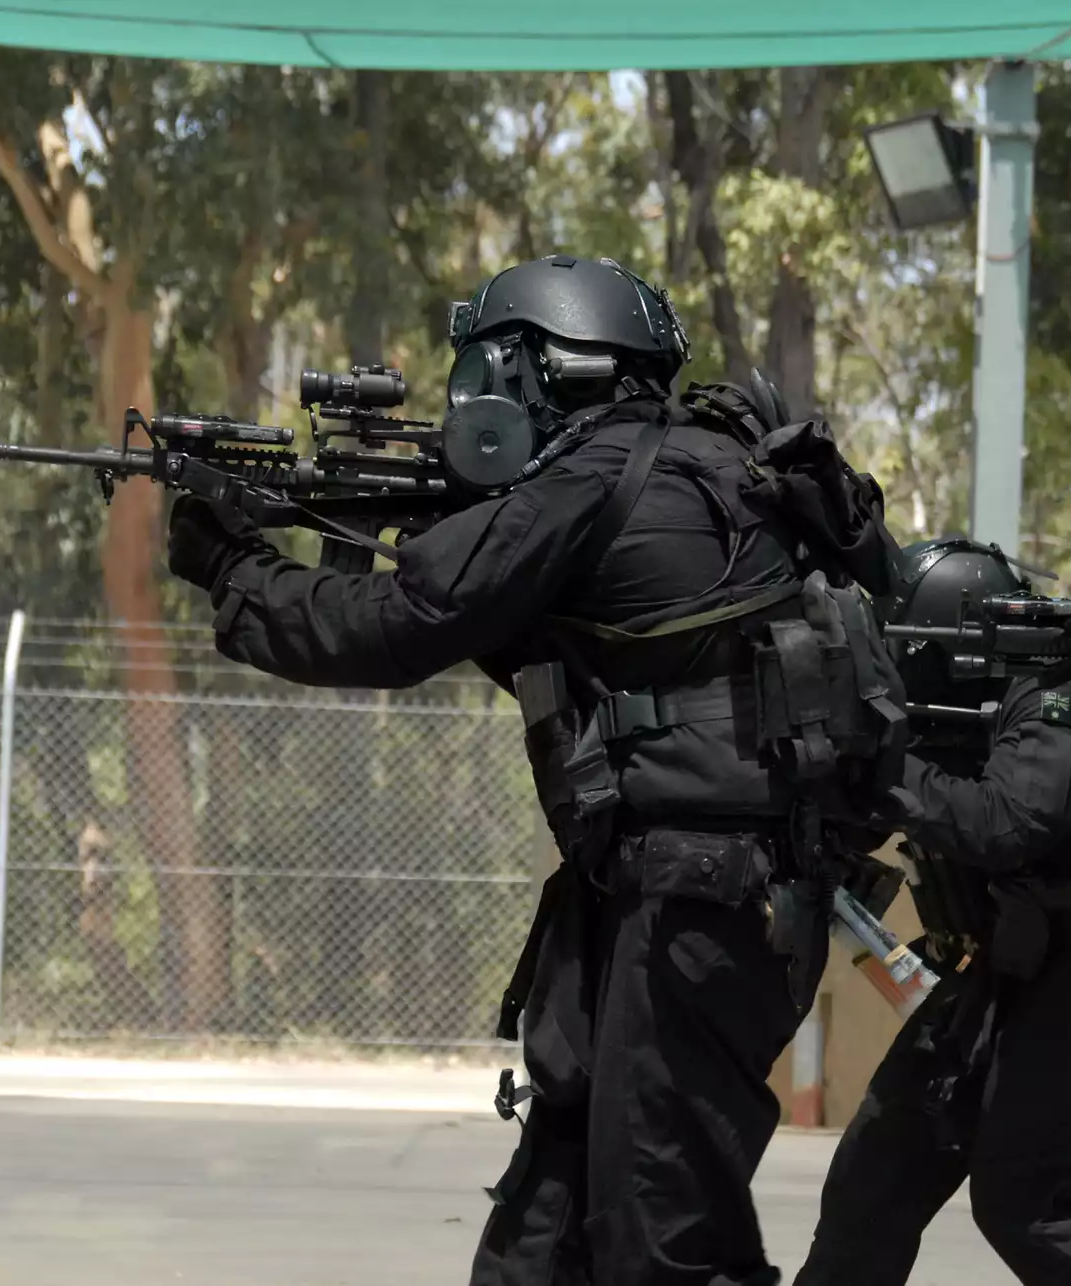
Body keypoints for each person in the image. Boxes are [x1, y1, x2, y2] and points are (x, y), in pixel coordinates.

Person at [163, 254, 907, 1286]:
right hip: (693, 898)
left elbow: (404, 624)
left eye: (487, 372)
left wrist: (235, 569)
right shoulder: (708, 464)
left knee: (666, 1246)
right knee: (546, 1235)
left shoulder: (593, 479)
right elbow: (551, 631)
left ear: (540, 370)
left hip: (697, 903)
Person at [793, 539, 1071, 1286]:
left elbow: (1007, 822)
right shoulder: (956, 716)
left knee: (1030, 1207)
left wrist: (886, 767)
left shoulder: (1061, 698)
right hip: (987, 972)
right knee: (872, 1187)